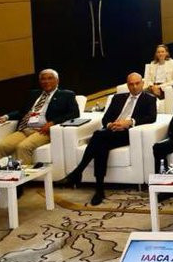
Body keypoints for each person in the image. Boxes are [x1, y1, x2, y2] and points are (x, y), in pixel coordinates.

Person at [60, 73, 156, 205]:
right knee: (101, 146)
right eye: (131, 84)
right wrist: (111, 125)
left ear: (142, 83)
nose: (134, 87)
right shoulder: (118, 98)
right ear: (127, 85)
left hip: (128, 133)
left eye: (137, 83)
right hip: (111, 131)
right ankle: (99, 189)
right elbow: (105, 119)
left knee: (98, 135)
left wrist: (129, 122)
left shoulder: (149, 99)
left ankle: (78, 172)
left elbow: (151, 117)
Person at [0, 70, 79, 201]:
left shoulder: (66, 95)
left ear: (57, 80)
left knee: (23, 147)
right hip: (25, 128)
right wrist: (5, 117)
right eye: (43, 79)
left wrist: (53, 122)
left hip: (43, 131)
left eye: (50, 78)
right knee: (0, 146)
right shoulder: (33, 94)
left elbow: (74, 113)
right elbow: (21, 112)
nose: (46, 81)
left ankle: (19, 184)